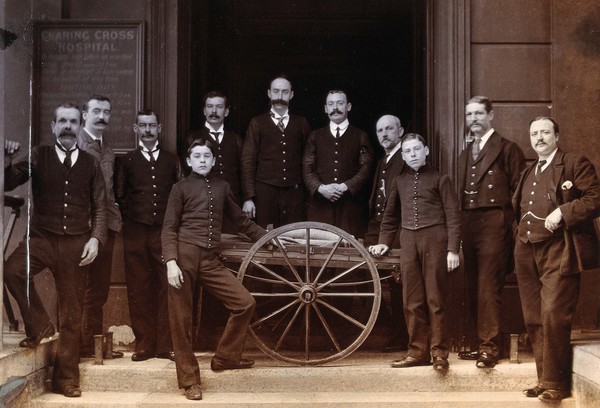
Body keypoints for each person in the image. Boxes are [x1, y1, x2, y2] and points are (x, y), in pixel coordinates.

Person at [4, 103, 107, 398]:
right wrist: (7, 160)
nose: (67, 126)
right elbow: (8, 181)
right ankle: (39, 326)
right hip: (41, 239)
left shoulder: (91, 162)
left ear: (80, 126)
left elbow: (100, 205)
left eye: (73, 122)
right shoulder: (39, 155)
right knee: (12, 270)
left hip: (76, 243)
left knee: (72, 313)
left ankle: (67, 379)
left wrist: (96, 239)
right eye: (62, 121)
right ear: (52, 127)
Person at [162, 139, 267, 401]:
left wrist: (268, 237)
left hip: (209, 259)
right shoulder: (179, 188)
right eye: (196, 156)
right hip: (183, 258)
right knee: (181, 319)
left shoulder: (222, 187)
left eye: (206, 156)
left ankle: (225, 358)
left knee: (244, 303)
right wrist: (171, 262)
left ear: (213, 160)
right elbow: (169, 228)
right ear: (189, 161)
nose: (202, 160)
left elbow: (241, 222)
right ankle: (189, 381)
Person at [514, 117, 600, 401]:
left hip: (559, 250)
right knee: (535, 317)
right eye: (534, 133)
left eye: (545, 132)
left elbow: (596, 197)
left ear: (557, 136)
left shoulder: (574, 163)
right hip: (527, 250)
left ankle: (557, 385)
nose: (539, 138)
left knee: (553, 314)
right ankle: (545, 380)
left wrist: (564, 212)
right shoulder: (529, 172)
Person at [369, 133, 460, 371]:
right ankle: (418, 352)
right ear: (403, 155)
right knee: (411, 299)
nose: (412, 155)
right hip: (408, 240)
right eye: (408, 151)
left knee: (435, 298)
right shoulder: (398, 181)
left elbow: (453, 216)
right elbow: (390, 217)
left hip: (435, 240)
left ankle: (440, 353)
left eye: (417, 150)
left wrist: (452, 250)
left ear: (426, 151)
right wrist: (384, 242)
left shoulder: (441, 179)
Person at [457, 95, 525, 368]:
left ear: (491, 116)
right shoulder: (465, 153)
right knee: (473, 284)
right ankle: (478, 343)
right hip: (469, 224)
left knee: (488, 286)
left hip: (495, 222)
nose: (473, 119)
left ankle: (490, 348)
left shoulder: (508, 149)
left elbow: (518, 193)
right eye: (469, 115)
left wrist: (509, 225)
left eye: (478, 114)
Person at [114, 110, 181, 362]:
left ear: (159, 128)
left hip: (163, 232)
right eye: (143, 126)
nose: (148, 130)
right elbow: (120, 195)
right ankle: (144, 345)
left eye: (152, 125)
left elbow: (178, 193)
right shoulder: (127, 161)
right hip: (135, 232)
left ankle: (165, 345)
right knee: (138, 285)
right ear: (136, 129)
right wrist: (135, 217)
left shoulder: (171, 159)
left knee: (166, 285)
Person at [76, 94, 123, 358]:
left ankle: (92, 344)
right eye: (96, 111)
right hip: (84, 226)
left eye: (106, 111)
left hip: (107, 224)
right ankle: (82, 345)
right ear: (85, 114)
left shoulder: (108, 147)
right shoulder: (77, 145)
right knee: (85, 286)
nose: (102, 116)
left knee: (100, 286)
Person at [241, 74, 311, 228]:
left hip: (295, 193)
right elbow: (248, 161)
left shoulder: (301, 123)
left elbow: (308, 161)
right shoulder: (257, 123)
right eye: (276, 91)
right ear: (269, 93)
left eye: (285, 92)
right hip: (265, 192)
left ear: (291, 95)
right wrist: (248, 197)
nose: (280, 97)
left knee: (294, 236)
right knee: (266, 237)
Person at [363, 115, 408, 352]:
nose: (384, 134)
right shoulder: (384, 160)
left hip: (398, 229)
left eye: (389, 129)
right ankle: (394, 331)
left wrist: (390, 237)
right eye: (380, 130)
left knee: (399, 285)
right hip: (380, 227)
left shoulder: (406, 156)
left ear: (400, 131)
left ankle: (402, 336)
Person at [303, 89, 374, 238]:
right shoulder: (315, 136)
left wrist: (345, 187)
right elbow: (307, 168)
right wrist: (320, 188)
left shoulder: (361, 135)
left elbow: (366, 168)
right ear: (325, 109)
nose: (335, 108)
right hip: (320, 207)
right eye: (331, 104)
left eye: (340, 103)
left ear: (348, 107)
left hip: (350, 208)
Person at [187, 91, 244, 234]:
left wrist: (247, 199)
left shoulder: (235, 139)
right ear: (204, 111)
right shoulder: (193, 137)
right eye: (210, 106)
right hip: (204, 203)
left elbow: (243, 171)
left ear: (226, 111)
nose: (214, 111)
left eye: (219, 107)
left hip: (232, 203)